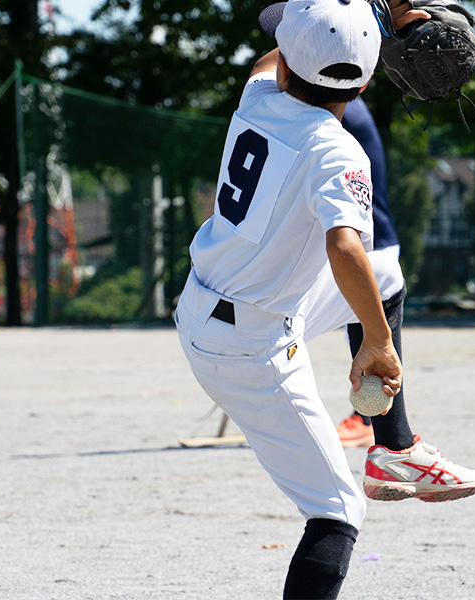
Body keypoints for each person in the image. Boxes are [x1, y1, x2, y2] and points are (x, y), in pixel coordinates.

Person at [175, 1, 399, 596]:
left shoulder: (259, 98)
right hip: (250, 345)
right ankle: (382, 399)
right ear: (368, 79)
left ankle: (398, 446)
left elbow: (269, 59)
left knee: (388, 273)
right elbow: (343, 248)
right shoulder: (339, 148)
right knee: (338, 511)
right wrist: (378, 342)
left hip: (213, 305)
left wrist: (361, 22)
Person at [329, 96, 475, 503]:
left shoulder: (266, 99)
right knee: (379, 279)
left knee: (376, 280)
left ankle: (384, 437)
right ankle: (393, 444)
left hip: (228, 290)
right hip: (355, 246)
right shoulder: (333, 119)